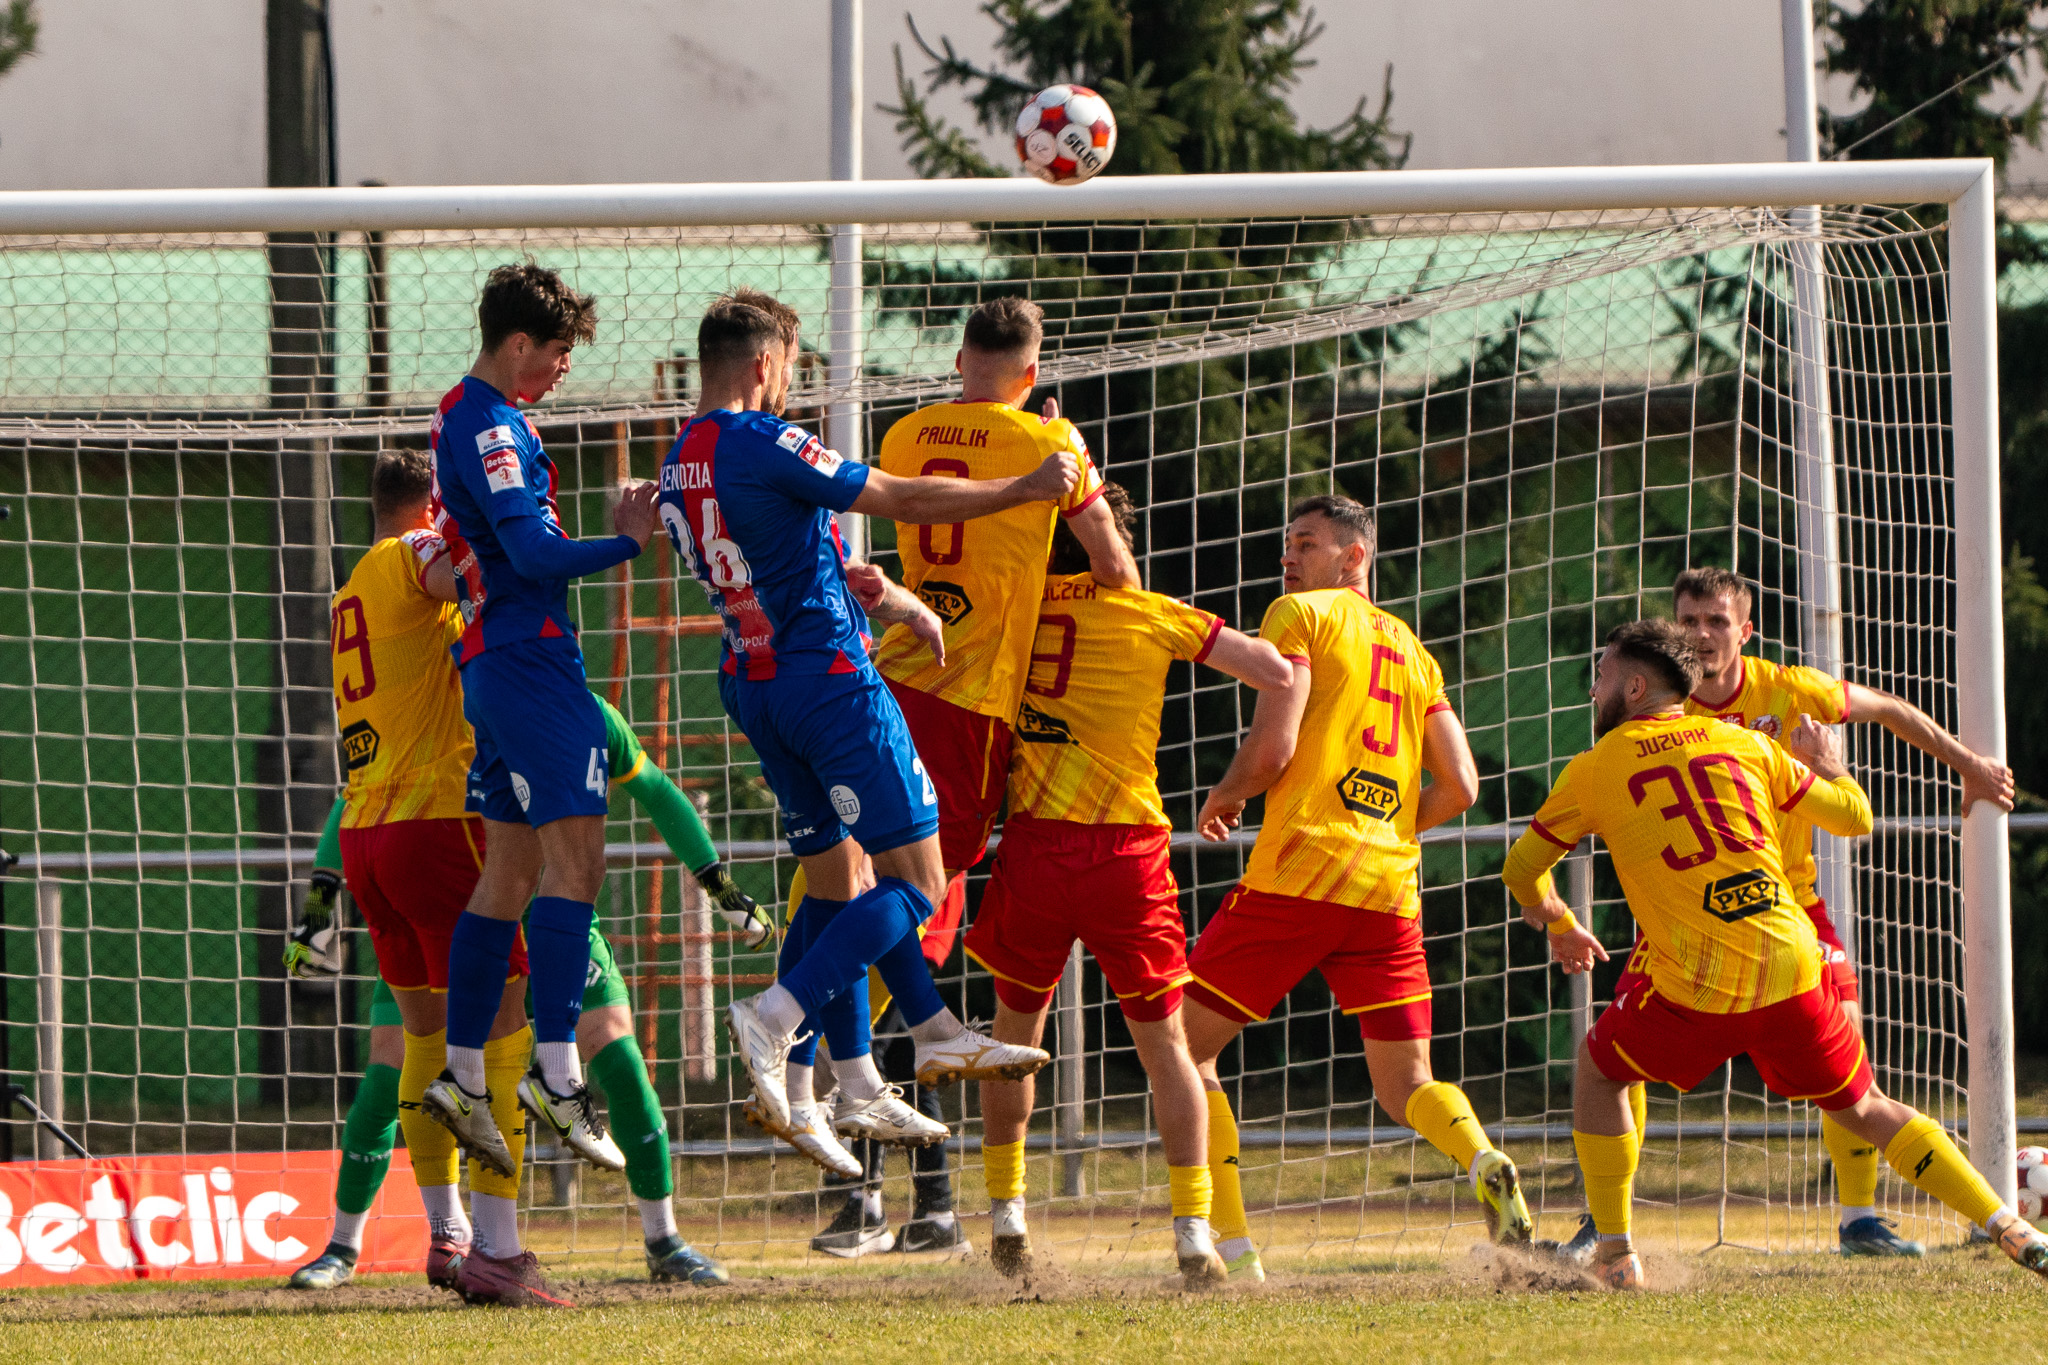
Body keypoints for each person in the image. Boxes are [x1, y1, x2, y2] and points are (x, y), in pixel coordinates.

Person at [1502, 618, 2048, 1290]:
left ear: (1636, 686)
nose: (1593, 689)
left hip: (1696, 985)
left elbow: (1522, 868)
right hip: (1791, 963)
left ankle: (1615, 1253)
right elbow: (1855, 817)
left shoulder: (1594, 768)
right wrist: (1830, 764)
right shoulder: (1743, 744)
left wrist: (1558, 918)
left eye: (1603, 674)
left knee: (1598, 1069)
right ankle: (2009, 1225)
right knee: (1870, 1106)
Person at [658, 294, 1064, 1163]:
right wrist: (1028, 487)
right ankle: (776, 1016)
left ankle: (864, 1078)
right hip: (831, 683)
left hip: (754, 683)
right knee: (918, 881)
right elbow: (900, 496)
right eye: (792, 367)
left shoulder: (677, 459)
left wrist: (879, 589)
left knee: (839, 885)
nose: (790, 384)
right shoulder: (764, 439)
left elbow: (764, 551)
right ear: (766, 364)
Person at [285, 689, 772, 1290]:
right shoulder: (444, 718)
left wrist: (717, 883)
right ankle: (349, 1244)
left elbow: (659, 793)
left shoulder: (588, 714)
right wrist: (319, 902)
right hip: (457, 918)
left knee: (619, 1057)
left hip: (555, 925)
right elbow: (356, 800)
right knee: (390, 1072)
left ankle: (664, 1238)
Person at [1182, 494, 1533, 1283]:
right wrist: (1390, 828)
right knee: (1406, 1082)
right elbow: (1465, 784)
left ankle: (1235, 1249)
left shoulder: (1298, 614)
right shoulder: (1413, 649)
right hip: (1387, 889)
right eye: (1287, 546)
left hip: (1300, 872)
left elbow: (1274, 744)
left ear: (1354, 557)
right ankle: (1479, 1157)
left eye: (1305, 543)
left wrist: (1227, 794)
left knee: (1180, 1048)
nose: (1288, 557)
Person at [965, 485, 1291, 1288]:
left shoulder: (1016, 611)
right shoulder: (1153, 610)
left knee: (1013, 1038)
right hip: (1128, 857)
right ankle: (1191, 1233)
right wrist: (1242, 778)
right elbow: (1277, 673)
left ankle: (1007, 1215)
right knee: (1168, 1050)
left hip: (1037, 847)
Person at [1640, 564, 2016, 1258]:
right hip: (1688, 915)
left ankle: (1858, 1219)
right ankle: (1606, 1222)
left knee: (1848, 1043)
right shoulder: (1656, 703)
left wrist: (1966, 763)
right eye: (1688, 621)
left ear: (1744, 631)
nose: (1700, 634)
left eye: (1716, 621)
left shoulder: (1788, 690)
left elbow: (1890, 709)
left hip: (1789, 904)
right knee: (1620, 1056)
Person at [280, 448, 553, 1306]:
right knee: (505, 1014)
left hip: (364, 834)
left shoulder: (349, 590)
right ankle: (500, 1249)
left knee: (421, 1042)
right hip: (433, 821)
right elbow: (460, 571)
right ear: (430, 505)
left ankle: (448, 1235)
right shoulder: (410, 557)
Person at [422, 262, 659, 1191]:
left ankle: (466, 1075)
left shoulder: (460, 413)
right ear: (519, 343)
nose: (564, 369)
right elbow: (529, 550)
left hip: (494, 663)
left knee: (512, 870)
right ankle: (559, 1074)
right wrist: (631, 542)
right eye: (559, 352)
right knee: (580, 866)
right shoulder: (490, 427)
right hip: (527, 662)